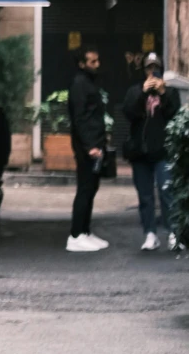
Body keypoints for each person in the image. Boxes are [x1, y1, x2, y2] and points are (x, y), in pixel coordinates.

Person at [120, 53, 179, 252]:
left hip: (162, 152)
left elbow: (175, 116)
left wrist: (162, 94)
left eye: (156, 68)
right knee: (145, 196)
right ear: (143, 70)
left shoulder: (170, 92)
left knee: (166, 192)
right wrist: (142, 94)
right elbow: (128, 112)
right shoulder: (134, 91)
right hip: (140, 153)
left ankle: (173, 232)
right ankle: (150, 234)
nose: (152, 72)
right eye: (149, 68)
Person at [66, 46, 109, 254]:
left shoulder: (87, 83)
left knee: (91, 188)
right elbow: (80, 119)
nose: (97, 65)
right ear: (82, 64)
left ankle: (84, 232)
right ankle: (75, 235)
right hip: (87, 148)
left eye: (97, 60)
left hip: (94, 145)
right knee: (85, 188)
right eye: (93, 62)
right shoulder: (79, 85)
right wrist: (90, 146)